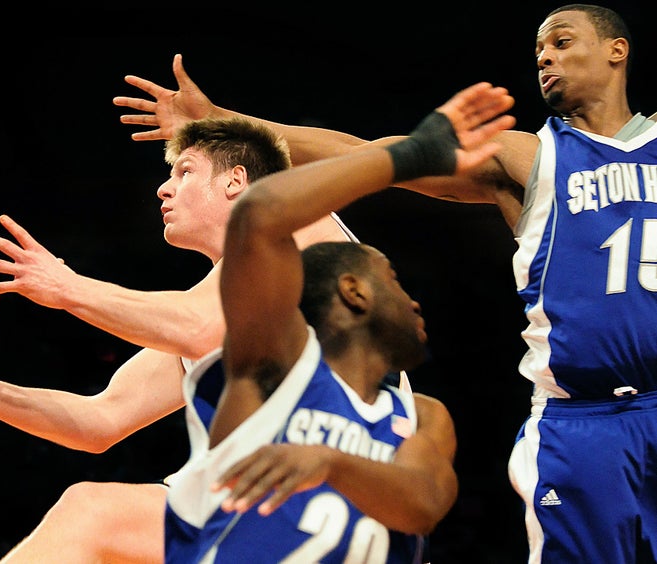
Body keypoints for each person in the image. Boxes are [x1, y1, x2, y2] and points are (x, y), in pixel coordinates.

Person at [116, 5, 657, 562]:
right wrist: (221, 121)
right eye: (541, 49)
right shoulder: (532, 156)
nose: (546, 56)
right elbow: (362, 153)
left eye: (562, 43)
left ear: (617, 50)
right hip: (581, 418)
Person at [0, 117, 361, 563]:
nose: (163, 188)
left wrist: (67, 287)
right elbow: (97, 422)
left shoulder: (299, 223)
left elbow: (200, 326)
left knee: (92, 512)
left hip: (344, 500)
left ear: (236, 180)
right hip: (260, 512)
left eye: (184, 171)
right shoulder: (199, 319)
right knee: (93, 515)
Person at [163, 81, 514, 562]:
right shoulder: (269, 376)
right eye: (393, 279)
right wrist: (410, 155)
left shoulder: (424, 415)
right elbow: (257, 214)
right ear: (354, 292)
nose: (414, 302)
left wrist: (328, 462)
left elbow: (424, 504)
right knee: (91, 506)